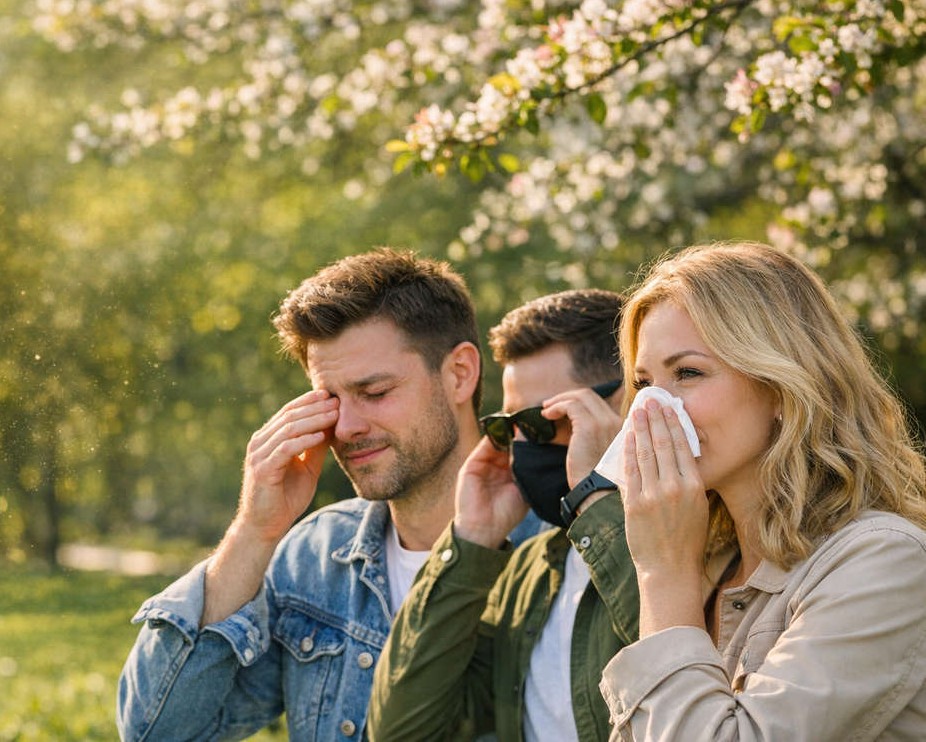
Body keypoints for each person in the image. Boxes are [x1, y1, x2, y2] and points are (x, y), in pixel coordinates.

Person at [118, 248, 495, 742]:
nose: (348, 426)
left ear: (460, 374)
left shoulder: (558, 550)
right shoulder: (313, 560)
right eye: (330, 399)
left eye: (376, 392)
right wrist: (255, 531)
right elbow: (156, 732)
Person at [599, 242, 926, 741]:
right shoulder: (710, 565)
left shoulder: (883, 560)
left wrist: (664, 574)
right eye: (644, 383)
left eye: (687, 373)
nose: (653, 408)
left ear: (779, 385)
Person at [370, 289, 636, 742]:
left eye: (542, 419)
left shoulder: (695, 543)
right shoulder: (526, 577)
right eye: (509, 426)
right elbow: (402, 731)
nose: (522, 444)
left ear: (621, 405)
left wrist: (597, 498)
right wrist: (471, 539)